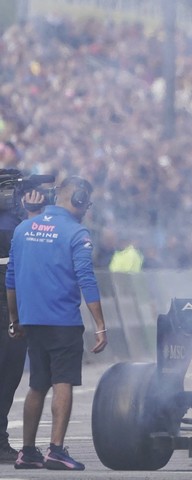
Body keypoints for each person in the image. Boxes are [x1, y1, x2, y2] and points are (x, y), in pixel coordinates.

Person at [7, 175, 107, 471]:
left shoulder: (23, 228)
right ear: (79, 199)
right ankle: (56, 450)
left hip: (31, 320)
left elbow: (11, 278)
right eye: (87, 203)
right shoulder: (77, 233)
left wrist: (14, 319)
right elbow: (86, 279)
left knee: (37, 384)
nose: (87, 209)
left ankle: (27, 451)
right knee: (63, 381)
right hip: (62, 321)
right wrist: (100, 324)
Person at [0, 143, 46, 463]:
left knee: (9, 371)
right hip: (8, 299)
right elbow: (32, 247)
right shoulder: (16, 224)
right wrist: (32, 215)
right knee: (8, 370)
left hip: (10, 294)